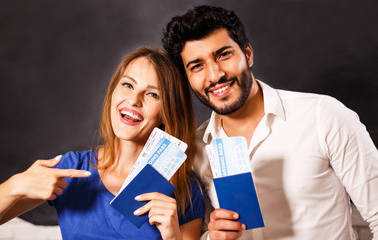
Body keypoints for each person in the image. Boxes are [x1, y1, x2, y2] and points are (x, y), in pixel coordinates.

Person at [162, 5, 378, 240]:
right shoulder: (194, 150)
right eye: (197, 66)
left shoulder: (323, 115)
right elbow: (200, 233)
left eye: (223, 54)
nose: (215, 75)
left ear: (248, 54)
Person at [0, 47, 205, 240]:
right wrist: (17, 184)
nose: (133, 100)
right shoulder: (73, 169)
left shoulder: (184, 188)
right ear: (113, 92)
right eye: (128, 85)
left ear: (167, 112)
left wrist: (173, 237)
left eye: (153, 94)